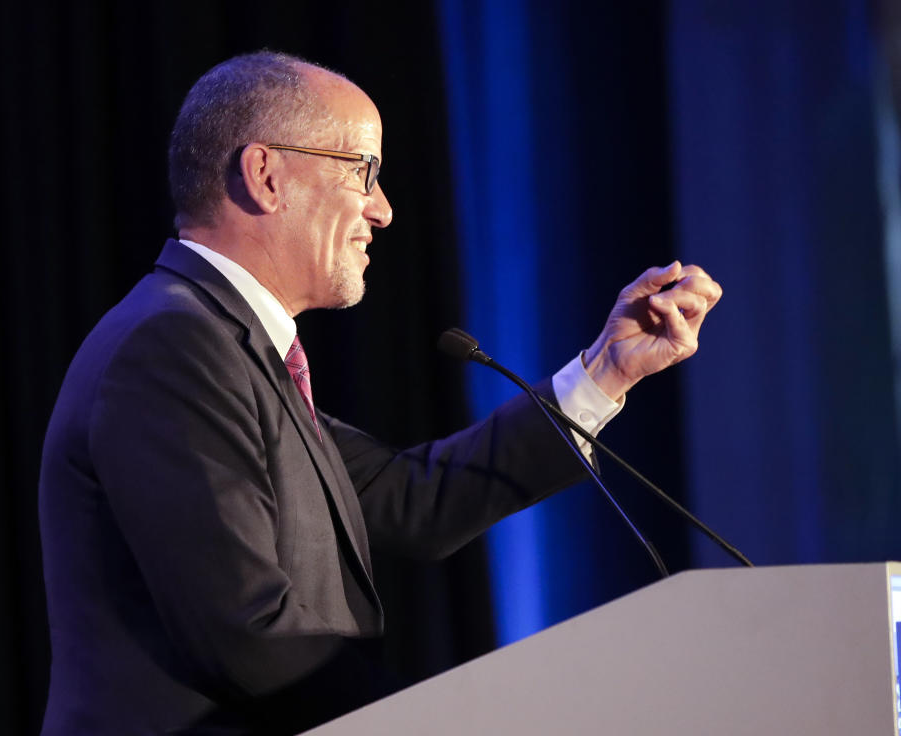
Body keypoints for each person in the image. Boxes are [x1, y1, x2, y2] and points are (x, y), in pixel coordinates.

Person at [38, 51, 721, 735]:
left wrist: (606, 371)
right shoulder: (171, 349)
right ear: (265, 176)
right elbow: (246, 633)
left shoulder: (221, 346)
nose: (384, 210)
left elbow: (413, 499)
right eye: (363, 171)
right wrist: (462, 717)